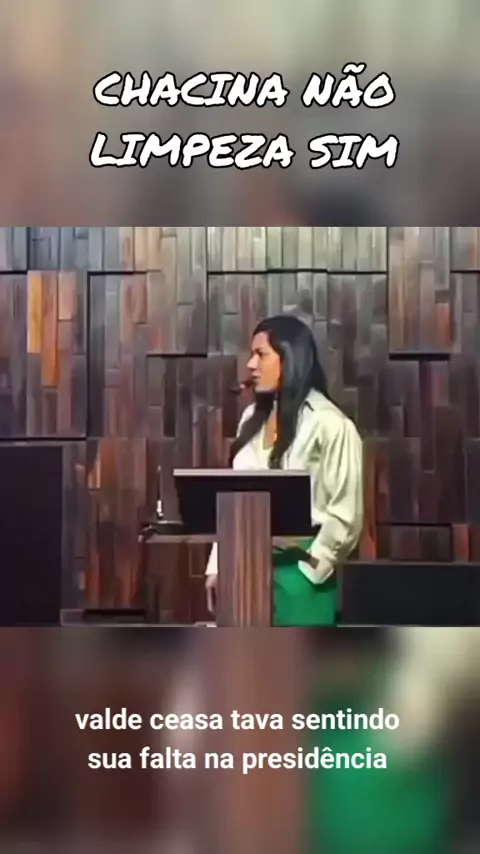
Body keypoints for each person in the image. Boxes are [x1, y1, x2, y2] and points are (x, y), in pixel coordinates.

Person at [204, 314, 364, 626]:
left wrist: (309, 571)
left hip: (301, 570)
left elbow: (345, 514)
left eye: (260, 354)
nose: (251, 365)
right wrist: (219, 565)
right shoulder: (251, 418)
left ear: (290, 358)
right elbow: (235, 498)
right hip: (244, 565)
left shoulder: (330, 425)